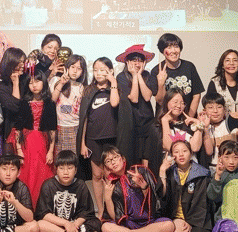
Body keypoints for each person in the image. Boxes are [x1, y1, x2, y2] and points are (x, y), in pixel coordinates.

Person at [77, 57, 120, 219]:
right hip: (93, 139)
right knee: (96, 175)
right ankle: (100, 210)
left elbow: (115, 103)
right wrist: (82, 143)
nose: (99, 73)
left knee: (111, 175)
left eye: (103, 70)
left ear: (111, 71)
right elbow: (84, 118)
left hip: (111, 139)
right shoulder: (88, 90)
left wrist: (113, 82)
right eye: (96, 70)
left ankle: (112, 209)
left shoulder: (115, 88)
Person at [100, 145, 174, 232]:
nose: (113, 162)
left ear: (123, 159)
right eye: (108, 161)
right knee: (106, 227)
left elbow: (156, 202)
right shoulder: (112, 184)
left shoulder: (141, 171)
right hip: (128, 224)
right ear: (106, 167)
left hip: (149, 222)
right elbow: (115, 218)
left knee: (169, 225)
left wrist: (144, 187)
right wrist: (107, 198)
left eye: (115, 157)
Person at [10, 70, 57, 206]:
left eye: (37, 81)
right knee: (27, 173)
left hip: (43, 143)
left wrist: (50, 151)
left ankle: (41, 206)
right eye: (30, 83)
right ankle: (26, 205)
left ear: (44, 82)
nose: (34, 85)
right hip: (27, 142)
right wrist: (19, 149)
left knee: (42, 173)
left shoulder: (49, 103)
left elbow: (52, 129)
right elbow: (18, 128)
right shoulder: (24, 102)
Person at [115, 45, 161, 173]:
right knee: (132, 161)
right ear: (127, 62)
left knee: (147, 161)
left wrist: (139, 75)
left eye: (140, 60)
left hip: (147, 123)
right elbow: (134, 98)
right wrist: (134, 76)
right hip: (130, 124)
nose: (137, 63)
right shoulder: (121, 77)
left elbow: (147, 96)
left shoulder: (147, 75)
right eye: (134, 60)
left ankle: (147, 184)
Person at [36, 150, 102, 232]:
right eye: (61, 168)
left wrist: (74, 225)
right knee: (40, 224)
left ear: (75, 170)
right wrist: (66, 223)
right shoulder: (48, 185)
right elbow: (43, 213)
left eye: (70, 168)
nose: (66, 172)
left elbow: (86, 212)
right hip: (56, 224)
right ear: (56, 169)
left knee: (96, 223)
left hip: (75, 223)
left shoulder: (81, 185)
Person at [157, 140, 212, 232]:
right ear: (172, 155)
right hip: (173, 218)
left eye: (184, 151)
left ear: (191, 153)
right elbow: (162, 197)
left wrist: (190, 224)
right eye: (176, 152)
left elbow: (200, 204)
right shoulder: (170, 172)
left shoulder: (201, 174)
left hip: (196, 221)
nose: (181, 154)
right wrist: (162, 171)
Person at [151, 34, 204, 118]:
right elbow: (160, 101)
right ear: (162, 51)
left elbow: (197, 94)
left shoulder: (189, 66)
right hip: (165, 119)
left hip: (188, 117)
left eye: (176, 46)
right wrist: (161, 84)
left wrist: (189, 117)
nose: (173, 51)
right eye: (169, 47)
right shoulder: (156, 70)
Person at [198, 94, 238, 175]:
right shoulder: (202, 128)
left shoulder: (232, 124)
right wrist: (205, 128)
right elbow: (209, 152)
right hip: (214, 169)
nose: (215, 111)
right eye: (210, 107)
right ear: (204, 111)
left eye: (219, 107)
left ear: (224, 109)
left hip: (235, 171)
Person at [50, 54, 86, 156]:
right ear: (67, 67)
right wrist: (62, 83)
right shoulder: (56, 80)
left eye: (79, 68)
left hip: (75, 127)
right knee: (60, 159)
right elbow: (52, 100)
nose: (75, 71)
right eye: (72, 67)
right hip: (60, 126)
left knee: (72, 159)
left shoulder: (81, 87)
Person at [0, 47, 28, 154]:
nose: (23, 65)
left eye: (24, 61)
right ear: (11, 63)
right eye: (20, 62)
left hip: (29, 130)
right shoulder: (2, 88)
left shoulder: (27, 80)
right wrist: (15, 84)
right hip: (12, 131)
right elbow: (15, 107)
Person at [158, 89, 203, 154]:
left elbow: (195, 148)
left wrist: (198, 123)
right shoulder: (157, 125)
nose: (179, 106)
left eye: (182, 103)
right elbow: (169, 147)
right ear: (166, 103)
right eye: (175, 102)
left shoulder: (189, 125)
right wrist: (165, 122)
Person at [206, 50, 238, 116]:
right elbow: (210, 108)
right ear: (222, 65)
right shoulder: (214, 83)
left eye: (235, 60)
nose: (231, 63)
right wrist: (232, 115)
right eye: (227, 60)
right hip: (223, 122)